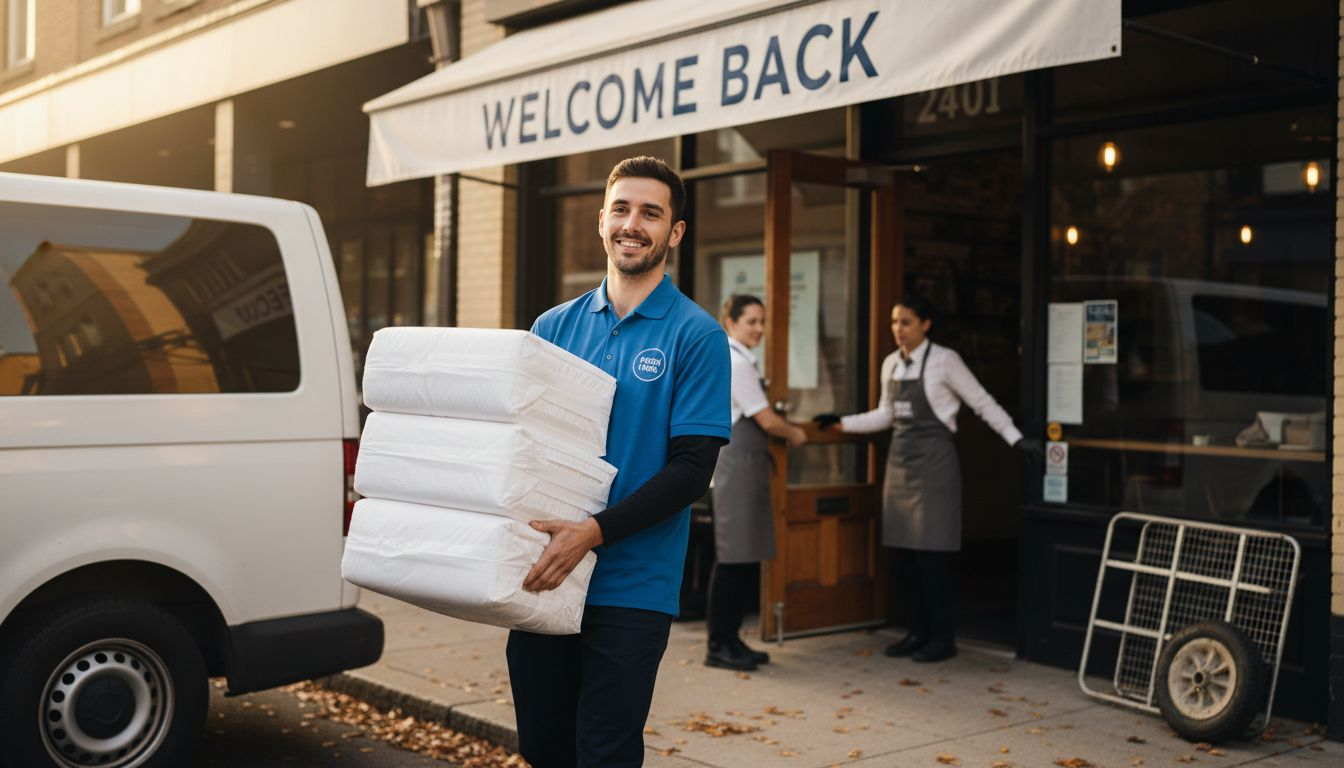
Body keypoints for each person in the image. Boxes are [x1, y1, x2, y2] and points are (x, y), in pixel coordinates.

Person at [507, 156, 731, 768]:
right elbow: (524, 447)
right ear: (601, 219)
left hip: (633, 585)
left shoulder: (697, 335)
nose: (633, 224)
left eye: (651, 214)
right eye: (622, 209)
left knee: (604, 753)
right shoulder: (552, 327)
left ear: (674, 233)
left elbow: (691, 471)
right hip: (547, 571)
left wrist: (592, 533)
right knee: (544, 747)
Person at [814, 294, 1040, 663]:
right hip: (900, 464)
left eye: (905, 322)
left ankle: (941, 638)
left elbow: (981, 402)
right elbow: (885, 414)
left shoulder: (945, 361)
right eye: (894, 322)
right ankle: (915, 633)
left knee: (930, 556)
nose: (898, 329)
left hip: (935, 465)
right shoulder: (891, 364)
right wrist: (842, 422)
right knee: (905, 555)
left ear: (926, 325)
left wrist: (1016, 440)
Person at [705, 294, 807, 672]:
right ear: (730, 322)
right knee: (733, 559)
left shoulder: (742, 359)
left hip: (746, 468)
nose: (759, 329)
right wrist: (796, 434)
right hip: (736, 470)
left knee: (744, 557)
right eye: (752, 321)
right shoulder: (735, 362)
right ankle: (719, 645)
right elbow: (765, 419)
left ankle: (732, 640)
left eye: (762, 322)